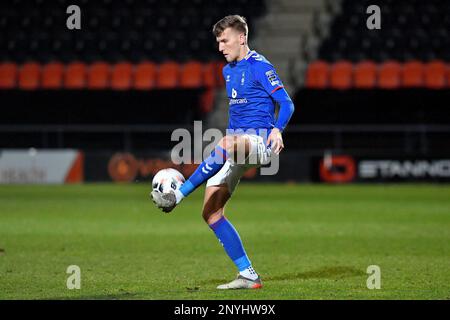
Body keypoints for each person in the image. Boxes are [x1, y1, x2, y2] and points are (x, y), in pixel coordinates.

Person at [151, 15, 295, 289]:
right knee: (211, 213)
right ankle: (248, 275)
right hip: (236, 147)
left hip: (259, 143)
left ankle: (178, 195)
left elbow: (286, 104)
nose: (220, 47)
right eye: (217, 42)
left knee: (227, 143)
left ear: (242, 38)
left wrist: (278, 129)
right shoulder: (227, 71)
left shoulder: (260, 67)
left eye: (224, 40)